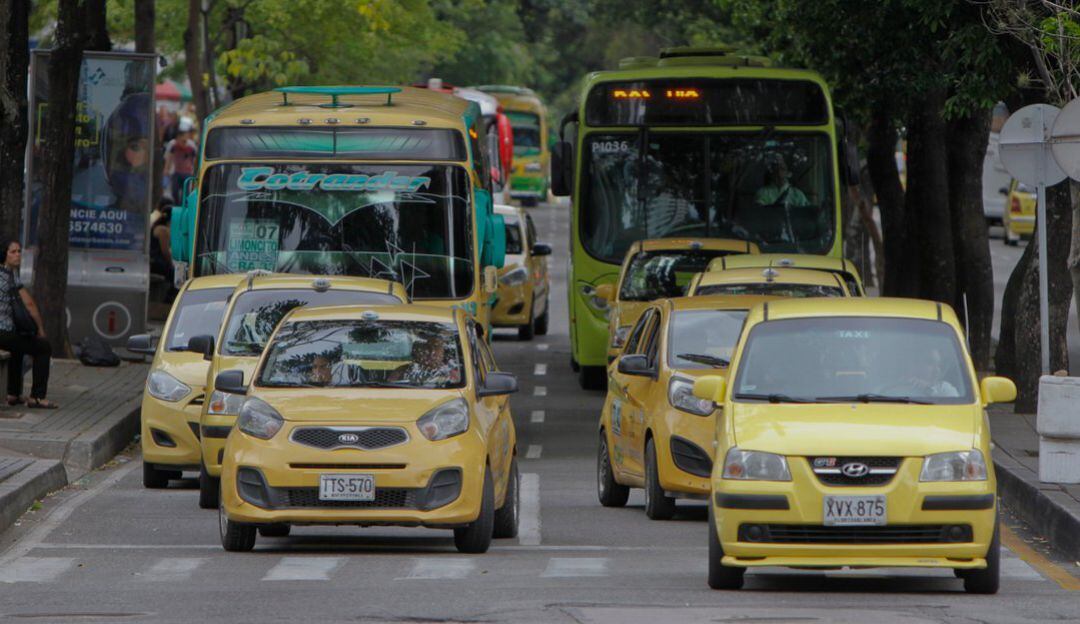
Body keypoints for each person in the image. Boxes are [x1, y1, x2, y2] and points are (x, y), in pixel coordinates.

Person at [0, 241, 57, 409]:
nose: (18, 255)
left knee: (18, 344)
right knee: (43, 347)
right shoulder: (9, 277)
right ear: (4, 254)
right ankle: (37, 397)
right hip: (2, 331)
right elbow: (29, 305)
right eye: (13, 252)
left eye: (19, 251)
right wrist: (40, 329)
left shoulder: (9, 274)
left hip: (6, 332)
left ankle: (13, 393)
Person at [389, 338, 460, 386]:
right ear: (417, 352)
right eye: (426, 347)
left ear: (443, 352)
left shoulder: (453, 375)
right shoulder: (401, 372)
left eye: (436, 347)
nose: (432, 352)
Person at [165, 117, 197, 203]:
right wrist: (166, 169)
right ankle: (176, 204)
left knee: (186, 192)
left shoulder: (191, 146)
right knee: (174, 191)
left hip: (187, 172)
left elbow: (194, 159)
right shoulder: (173, 145)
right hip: (176, 172)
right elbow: (169, 157)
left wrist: (195, 171)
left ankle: (184, 207)